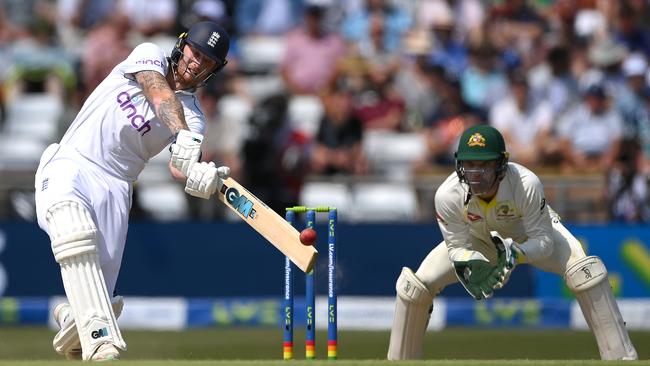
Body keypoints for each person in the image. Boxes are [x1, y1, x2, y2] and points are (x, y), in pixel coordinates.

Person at [33, 21, 231, 361]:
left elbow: (178, 166)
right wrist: (182, 136)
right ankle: (103, 338)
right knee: (74, 232)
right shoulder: (148, 55)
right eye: (195, 53)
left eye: (207, 60)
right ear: (181, 47)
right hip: (74, 161)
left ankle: (72, 317)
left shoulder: (195, 117)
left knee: (94, 303)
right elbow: (158, 93)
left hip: (116, 189)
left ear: (214, 70)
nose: (197, 62)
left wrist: (200, 174)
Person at [387, 125, 638, 361]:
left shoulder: (526, 183)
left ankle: (621, 358)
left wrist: (515, 253)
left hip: (527, 238)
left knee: (586, 272)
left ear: (501, 164)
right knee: (413, 288)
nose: (476, 174)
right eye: (470, 164)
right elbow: (457, 248)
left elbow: (543, 243)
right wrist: (471, 265)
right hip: (478, 239)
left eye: (485, 165)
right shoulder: (447, 194)